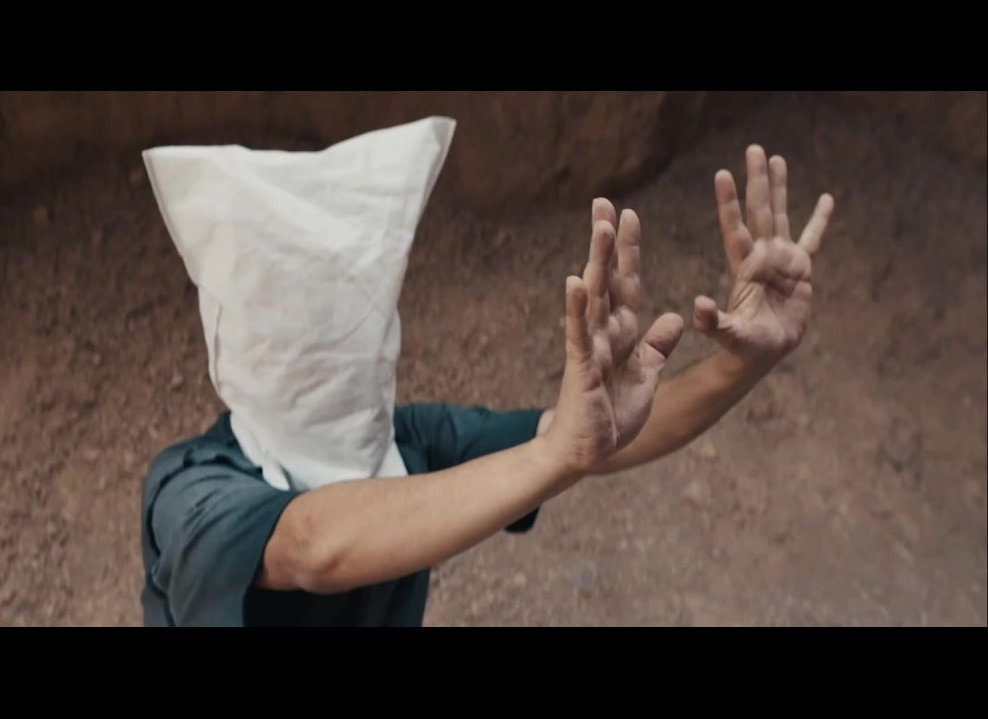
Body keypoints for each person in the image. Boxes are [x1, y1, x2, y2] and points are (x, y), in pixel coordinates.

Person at [139, 144, 834, 627]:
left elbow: (606, 435)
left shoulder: (412, 441)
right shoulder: (189, 489)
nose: (333, 356)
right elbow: (310, 545)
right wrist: (555, 453)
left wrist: (741, 365)